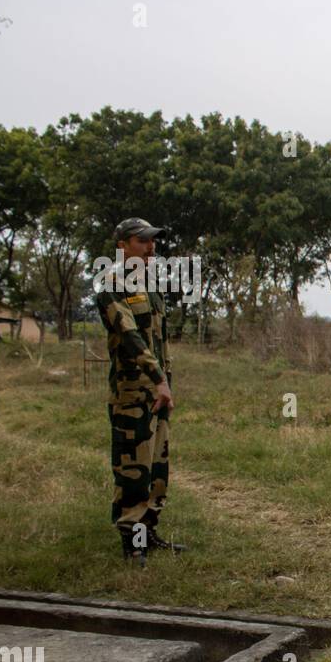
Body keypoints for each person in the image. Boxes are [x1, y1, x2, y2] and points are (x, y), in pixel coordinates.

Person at [94, 217, 186, 565]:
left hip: (159, 394)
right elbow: (130, 337)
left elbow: (159, 341)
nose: (151, 247)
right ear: (122, 246)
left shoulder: (151, 286)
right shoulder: (110, 284)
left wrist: (166, 385)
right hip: (133, 394)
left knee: (158, 469)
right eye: (142, 241)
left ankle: (149, 531)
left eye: (153, 241)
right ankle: (132, 541)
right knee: (133, 469)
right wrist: (158, 378)